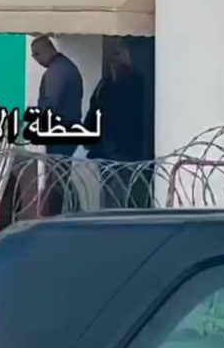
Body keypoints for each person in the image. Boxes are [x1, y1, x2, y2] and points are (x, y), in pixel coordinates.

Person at [83, 36, 154, 209]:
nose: (117, 59)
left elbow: (124, 114)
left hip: (126, 152)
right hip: (110, 151)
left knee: (125, 198)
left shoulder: (137, 82)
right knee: (112, 195)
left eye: (120, 53)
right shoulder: (109, 82)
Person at [31, 35, 84, 216]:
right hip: (66, 131)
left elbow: (50, 105)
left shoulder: (57, 72)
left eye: (36, 55)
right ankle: (70, 212)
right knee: (61, 176)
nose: (36, 60)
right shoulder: (64, 67)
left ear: (44, 51)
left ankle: (65, 214)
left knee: (58, 178)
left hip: (61, 133)